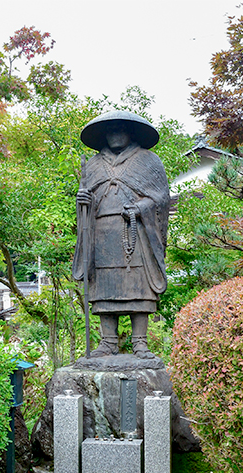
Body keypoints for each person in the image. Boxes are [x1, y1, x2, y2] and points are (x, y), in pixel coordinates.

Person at [73, 110, 169, 359]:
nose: (115, 134)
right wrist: (83, 200)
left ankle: (140, 342)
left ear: (131, 132)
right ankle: (108, 342)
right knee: (104, 285)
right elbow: (87, 201)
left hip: (136, 230)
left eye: (120, 129)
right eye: (110, 130)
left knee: (139, 284)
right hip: (102, 234)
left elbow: (160, 199)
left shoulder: (149, 161)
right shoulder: (93, 165)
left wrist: (140, 208)